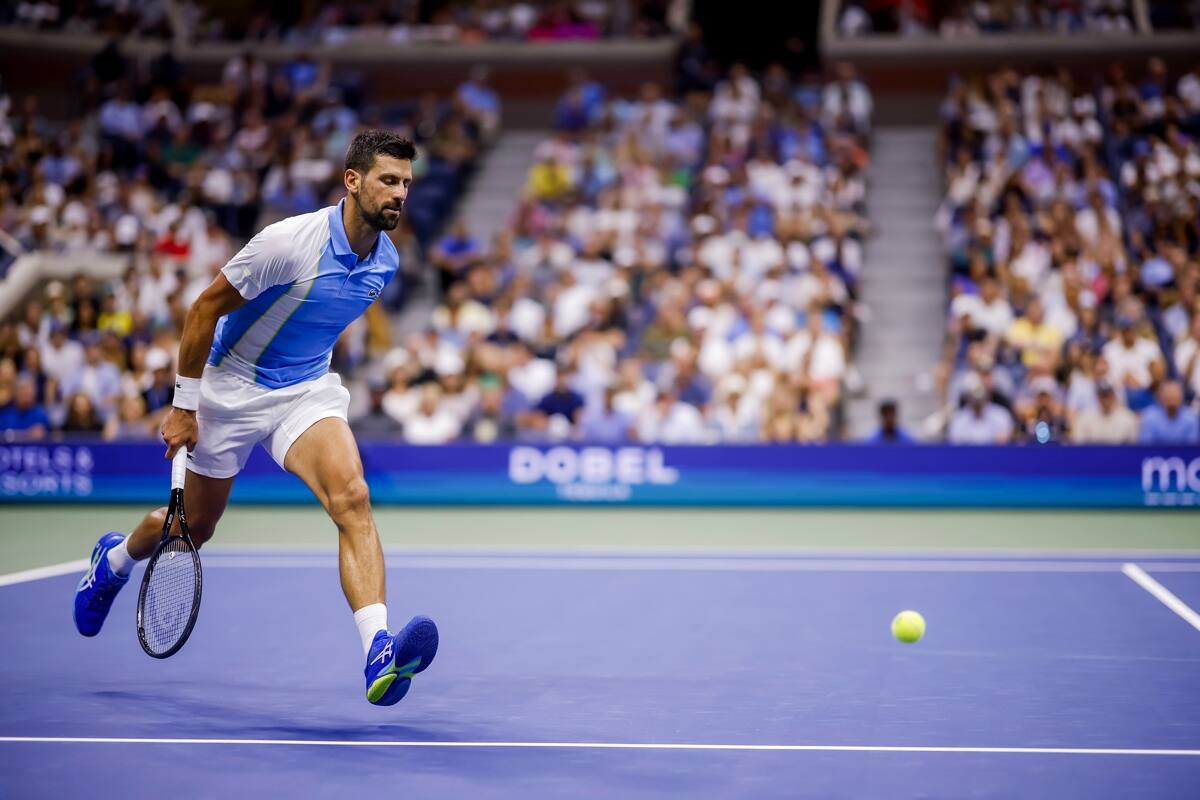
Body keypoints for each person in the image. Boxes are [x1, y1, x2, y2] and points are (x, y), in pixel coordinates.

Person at [72, 131, 438, 707]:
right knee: (193, 527)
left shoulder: (386, 263)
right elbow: (204, 310)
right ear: (353, 181)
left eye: (406, 184)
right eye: (388, 180)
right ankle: (113, 561)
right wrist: (184, 404)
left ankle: (378, 652)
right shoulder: (288, 243)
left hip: (305, 389)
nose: (399, 193)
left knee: (352, 498)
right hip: (230, 385)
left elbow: (314, 325)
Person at [1070, 381, 1138, 444]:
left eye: (1108, 395)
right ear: (1097, 397)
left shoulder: (1128, 418)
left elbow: (1132, 447)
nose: (1106, 399)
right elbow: (1079, 444)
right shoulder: (1085, 417)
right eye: (1103, 396)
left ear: (1114, 396)